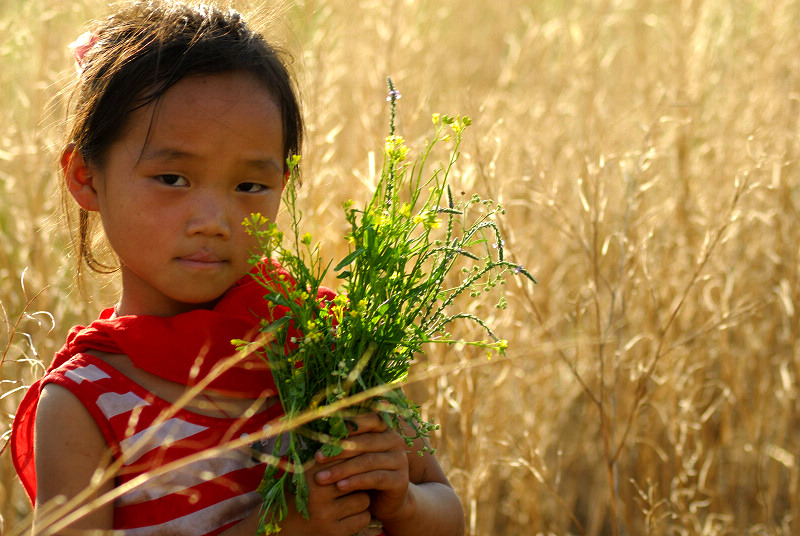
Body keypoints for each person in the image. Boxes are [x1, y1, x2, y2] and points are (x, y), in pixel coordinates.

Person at [9, 2, 465, 535]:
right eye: (173, 178)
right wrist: (275, 527)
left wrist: (404, 502)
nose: (214, 221)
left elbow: (446, 512)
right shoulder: (87, 400)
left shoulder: (323, 344)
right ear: (87, 176)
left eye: (250, 186)